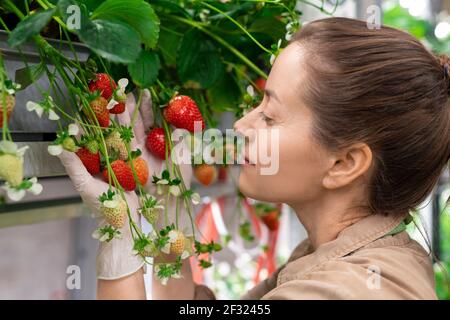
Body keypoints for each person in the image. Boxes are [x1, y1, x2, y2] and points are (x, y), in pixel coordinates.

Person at [58, 17, 450, 299]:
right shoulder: (333, 255)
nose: (242, 125)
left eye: (270, 115)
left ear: (344, 164)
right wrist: (168, 217)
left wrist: (121, 245)